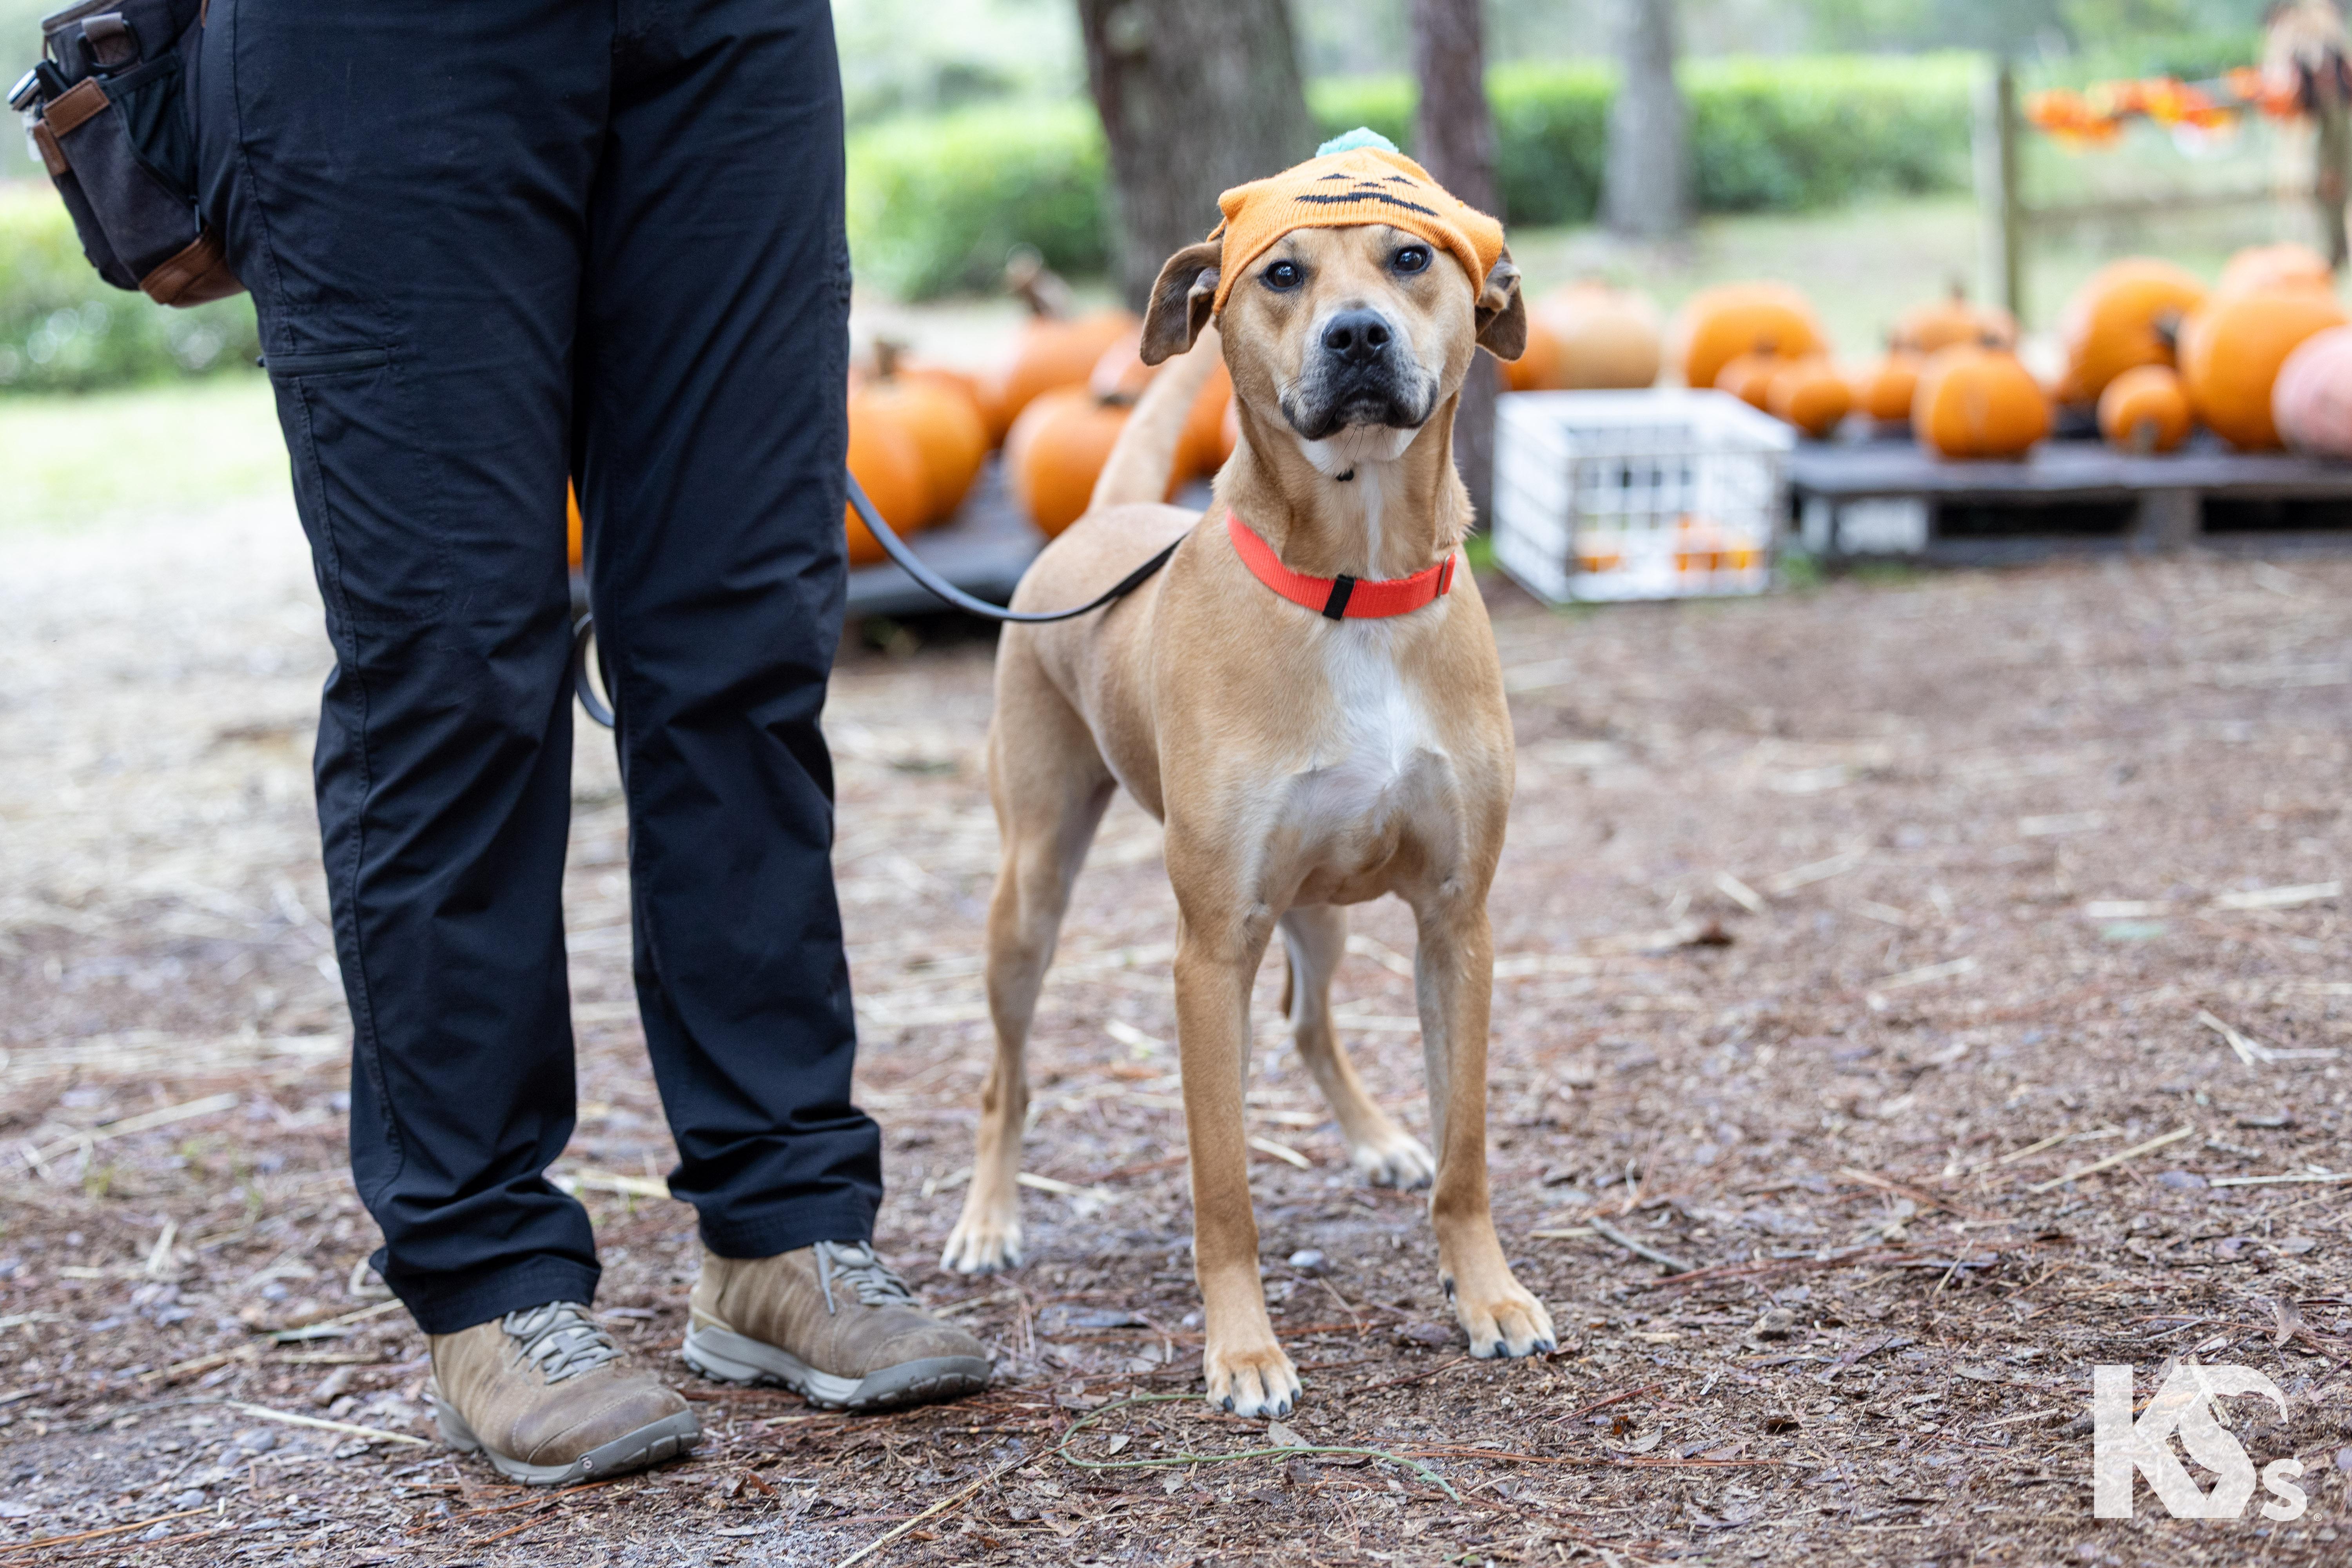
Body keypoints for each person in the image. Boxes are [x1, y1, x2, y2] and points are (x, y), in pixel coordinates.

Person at [194, 0, 989, 1484]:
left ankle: (782, 1224)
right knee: (450, 658)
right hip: (382, 42)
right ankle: (490, 1277)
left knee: (742, 634)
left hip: (721, 34)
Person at [2267, 0, 2352, 269]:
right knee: (2306, 187)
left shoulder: (2334, 49)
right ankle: (2314, 252)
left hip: (2330, 128)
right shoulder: (2294, 47)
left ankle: (2335, 251)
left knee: (2334, 187)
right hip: (2304, 129)